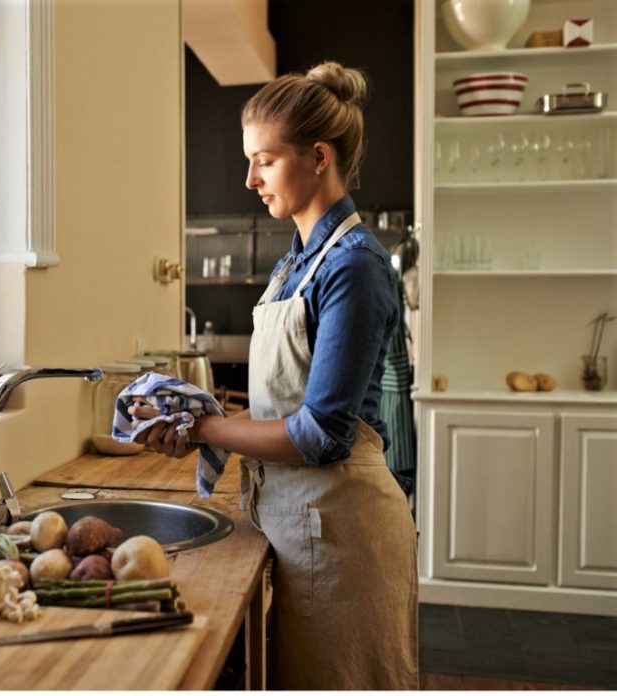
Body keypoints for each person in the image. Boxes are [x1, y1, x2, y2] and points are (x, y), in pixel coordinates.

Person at [132, 61, 419, 690]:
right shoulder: (295, 264)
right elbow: (282, 401)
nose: (249, 179)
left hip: (343, 533)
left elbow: (320, 435)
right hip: (288, 521)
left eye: (264, 160)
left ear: (318, 156)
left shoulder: (355, 266)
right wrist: (199, 418)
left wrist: (208, 425)